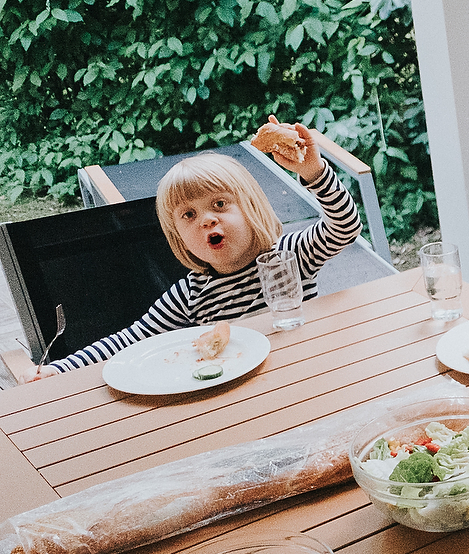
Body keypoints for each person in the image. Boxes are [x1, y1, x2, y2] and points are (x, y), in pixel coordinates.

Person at [27, 119, 361, 378]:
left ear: (252, 208)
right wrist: (60, 369)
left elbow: (345, 227)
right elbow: (128, 341)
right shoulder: (190, 295)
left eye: (219, 204)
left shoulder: (290, 256)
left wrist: (314, 173)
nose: (205, 220)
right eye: (189, 215)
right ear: (178, 237)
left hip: (312, 370)